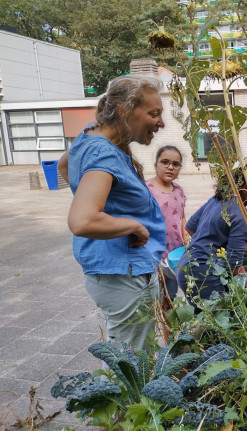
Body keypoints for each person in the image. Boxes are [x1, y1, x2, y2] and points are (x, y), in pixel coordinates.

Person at [64, 75, 166, 351]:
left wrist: (99, 201)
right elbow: (82, 220)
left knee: (131, 356)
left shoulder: (91, 133)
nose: (161, 122)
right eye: (153, 113)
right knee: (131, 365)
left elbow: (65, 166)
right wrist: (133, 225)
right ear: (124, 112)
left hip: (115, 271)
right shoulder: (103, 154)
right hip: (123, 275)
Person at [176, 165, 247, 305]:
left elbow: (190, 228)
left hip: (186, 266)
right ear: (245, 187)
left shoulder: (218, 200)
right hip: (205, 275)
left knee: (201, 319)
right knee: (217, 321)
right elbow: (233, 264)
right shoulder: (242, 216)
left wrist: (211, 245)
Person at [146, 145, 187, 300]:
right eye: (165, 162)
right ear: (156, 165)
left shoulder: (178, 190)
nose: (170, 167)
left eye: (175, 164)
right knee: (154, 297)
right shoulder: (146, 190)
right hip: (153, 255)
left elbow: (182, 218)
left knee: (170, 295)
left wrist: (186, 242)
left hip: (174, 255)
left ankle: (168, 324)